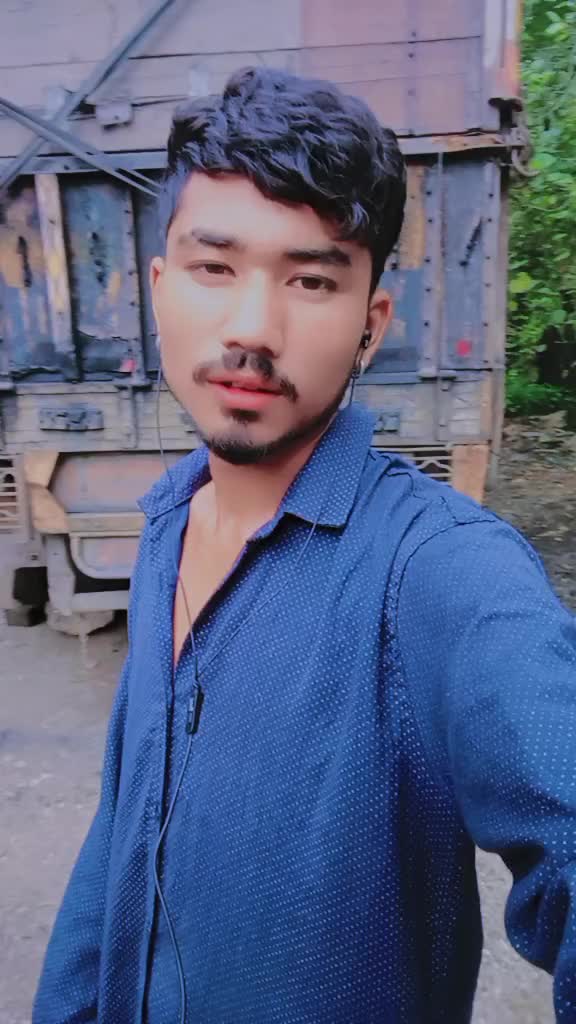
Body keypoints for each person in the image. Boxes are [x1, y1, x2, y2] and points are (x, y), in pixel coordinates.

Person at [34, 67, 576, 1024]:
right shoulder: (168, 527)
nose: (254, 328)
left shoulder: (438, 572)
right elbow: (123, 838)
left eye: (312, 280)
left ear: (371, 324)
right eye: (214, 268)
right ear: (158, 290)